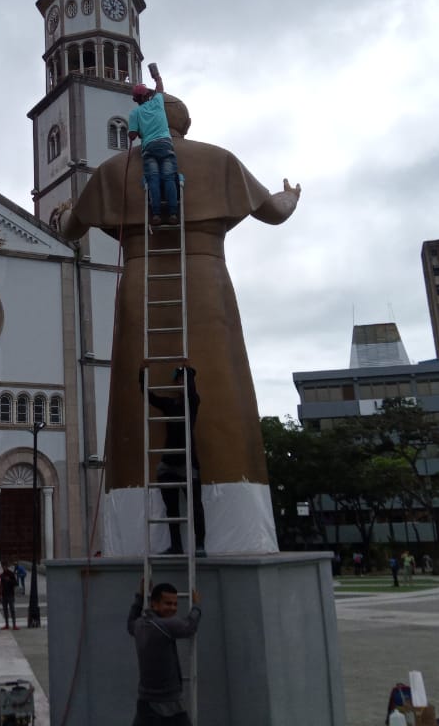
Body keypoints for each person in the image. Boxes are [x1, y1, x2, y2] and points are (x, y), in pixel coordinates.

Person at [58, 92, 301, 555]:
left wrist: (65, 212)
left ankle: (138, 535)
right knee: (222, 393)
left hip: (141, 287)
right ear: (185, 123)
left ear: (138, 123)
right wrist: (291, 194)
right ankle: (236, 529)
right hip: (205, 284)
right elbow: (274, 212)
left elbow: (70, 227)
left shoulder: (115, 171)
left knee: (137, 398)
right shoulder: (219, 160)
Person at [144, 365, 205, 555]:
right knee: (171, 508)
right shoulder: (170, 404)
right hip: (169, 462)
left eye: (182, 379)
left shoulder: (192, 402)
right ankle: (176, 546)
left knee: (195, 506)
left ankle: (200, 546)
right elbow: (150, 397)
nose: (180, 382)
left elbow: (191, 391)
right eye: (177, 379)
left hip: (188, 461)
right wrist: (142, 374)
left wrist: (187, 369)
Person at [127, 580, 202, 725]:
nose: (173, 608)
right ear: (154, 604)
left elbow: (130, 623)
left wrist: (140, 596)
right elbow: (190, 626)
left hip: (146, 701)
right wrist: (197, 605)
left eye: (175, 604)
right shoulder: (165, 625)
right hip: (168, 701)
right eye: (168, 603)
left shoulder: (140, 625)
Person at [128, 68, 178, 226]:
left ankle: (156, 214)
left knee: (154, 180)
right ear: (147, 95)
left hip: (149, 148)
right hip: (165, 144)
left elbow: (133, 135)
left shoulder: (135, 113)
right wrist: (156, 76)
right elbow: (160, 88)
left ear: (136, 99)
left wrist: (138, 130)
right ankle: (173, 214)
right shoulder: (157, 102)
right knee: (169, 178)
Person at [0, 564, 18, 630]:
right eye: (3, 566)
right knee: (5, 610)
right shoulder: (1, 575)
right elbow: (0, 586)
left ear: (7, 566)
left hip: (10, 595)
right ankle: (7, 624)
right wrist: (0, 595)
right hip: (4, 595)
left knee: (12, 610)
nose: (4, 568)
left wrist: (9, 580)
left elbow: (16, 583)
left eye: (5, 566)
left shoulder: (11, 574)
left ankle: (14, 625)